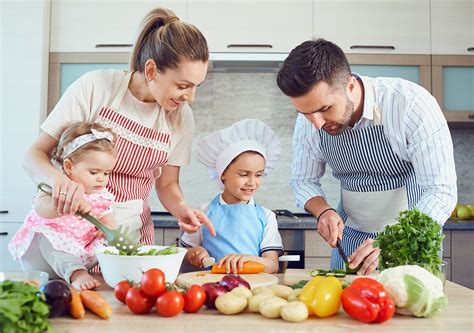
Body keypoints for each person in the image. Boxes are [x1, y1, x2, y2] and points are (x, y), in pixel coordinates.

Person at [23, 8, 215, 246]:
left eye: (196, 86)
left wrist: (181, 208)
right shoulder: (96, 87)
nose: (190, 97)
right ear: (152, 70)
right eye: (183, 86)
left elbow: (167, 184)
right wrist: (58, 182)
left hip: (131, 235)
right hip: (74, 232)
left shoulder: (181, 117)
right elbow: (34, 155)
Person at [276, 39, 457, 275]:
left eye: (324, 109)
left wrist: (393, 241)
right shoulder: (309, 120)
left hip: (410, 243)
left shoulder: (410, 104)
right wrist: (323, 211)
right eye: (305, 113)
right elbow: (303, 181)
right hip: (351, 243)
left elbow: (440, 191)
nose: (316, 122)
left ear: (350, 86)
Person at [10, 122, 118, 290]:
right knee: (46, 233)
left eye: (106, 173)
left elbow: (107, 217)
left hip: (79, 254)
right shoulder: (56, 185)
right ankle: (76, 274)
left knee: (103, 243)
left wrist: (107, 228)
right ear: (69, 167)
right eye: (94, 172)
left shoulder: (100, 195)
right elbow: (41, 208)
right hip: (44, 258)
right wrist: (63, 206)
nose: (101, 179)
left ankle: (79, 271)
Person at [180, 119, 284, 274]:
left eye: (258, 175)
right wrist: (195, 253)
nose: (252, 182)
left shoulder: (266, 217)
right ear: (223, 174)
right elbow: (186, 252)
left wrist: (251, 259)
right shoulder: (203, 212)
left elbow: (272, 265)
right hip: (211, 285)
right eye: (243, 174)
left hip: (252, 289)